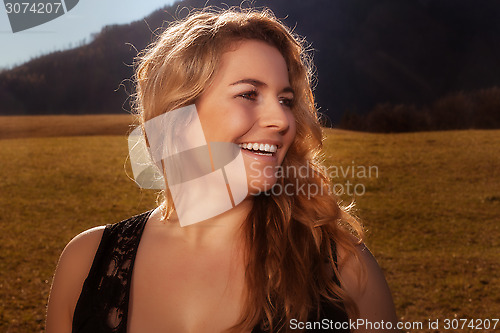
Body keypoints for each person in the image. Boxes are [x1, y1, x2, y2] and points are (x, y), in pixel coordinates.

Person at [46, 8, 398, 333]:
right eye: (249, 94)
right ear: (179, 115)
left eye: (286, 101)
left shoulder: (343, 269)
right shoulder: (86, 261)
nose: (281, 120)